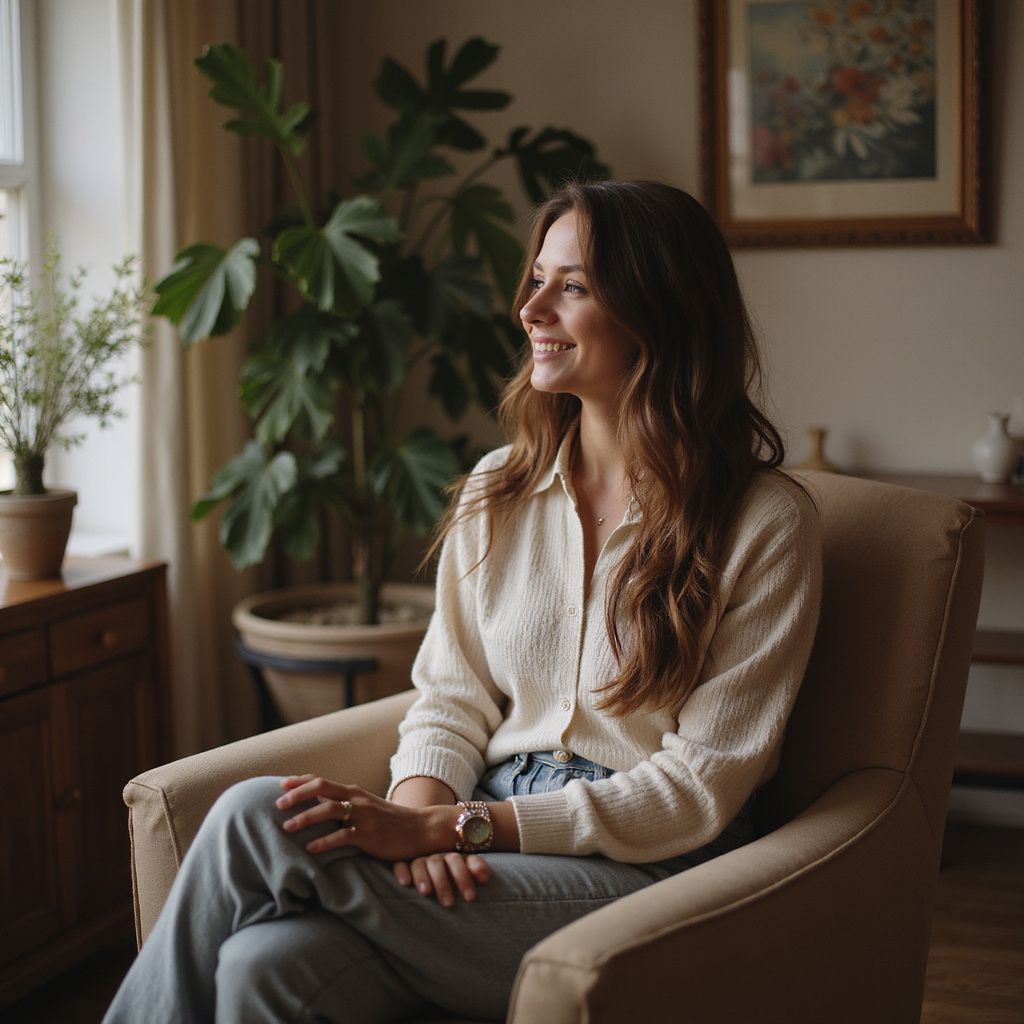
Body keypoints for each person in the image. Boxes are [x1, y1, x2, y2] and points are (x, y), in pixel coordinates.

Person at [103, 179, 822, 1023]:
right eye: (537, 279)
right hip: (493, 833)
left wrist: (460, 828)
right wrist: (417, 821)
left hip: (653, 868)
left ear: (661, 311)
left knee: (254, 819)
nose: (531, 308)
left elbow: (698, 788)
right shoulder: (498, 488)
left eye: (573, 286)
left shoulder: (764, 522)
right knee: (267, 965)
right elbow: (451, 697)